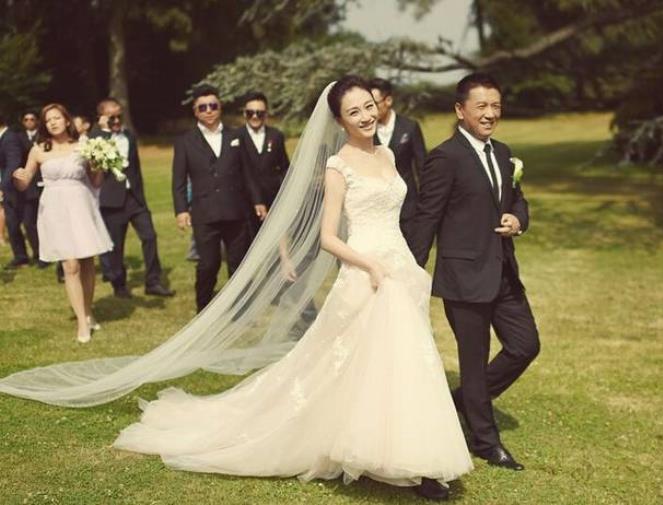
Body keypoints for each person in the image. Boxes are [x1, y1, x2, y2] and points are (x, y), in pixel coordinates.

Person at [114, 76, 471, 501]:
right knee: (356, 363)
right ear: (340, 121)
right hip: (366, 271)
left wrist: (399, 262)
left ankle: (409, 453)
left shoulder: (389, 154)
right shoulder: (338, 166)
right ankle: (373, 451)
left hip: (398, 265)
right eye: (353, 112)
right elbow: (328, 238)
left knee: (406, 359)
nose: (365, 116)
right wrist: (370, 264)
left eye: (368, 106)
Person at [409, 73, 540, 471]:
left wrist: (518, 220)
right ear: (460, 110)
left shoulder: (503, 153)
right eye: (481, 106)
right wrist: (410, 269)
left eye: (495, 106)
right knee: (474, 359)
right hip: (464, 278)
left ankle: (462, 401)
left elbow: (517, 200)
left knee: (525, 345)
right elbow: (427, 217)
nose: (489, 114)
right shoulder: (445, 158)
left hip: (503, 273)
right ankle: (486, 442)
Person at [12, 103, 113, 342]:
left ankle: (88, 311)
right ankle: (81, 323)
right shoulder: (38, 150)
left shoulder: (83, 145)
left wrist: (99, 165)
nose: (53, 123)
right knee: (70, 265)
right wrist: (18, 177)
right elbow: (24, 182)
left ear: (67, 121)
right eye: (48, 120)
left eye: (57, 118)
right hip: (54, 209)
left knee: (86, 262)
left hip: (80, 205)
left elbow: (96, 181)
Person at [172, 85, 267, 312]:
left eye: (213, 106)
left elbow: (248, 173)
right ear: (195, 111)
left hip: (235, 211)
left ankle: (239, 309)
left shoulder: (237, 136)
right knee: (208, 264)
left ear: (220, 107)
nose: (208, 111)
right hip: (204, 213)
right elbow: (178, 179)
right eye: (203, 107)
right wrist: (181, 210)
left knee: (238, 262)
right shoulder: (185, 141)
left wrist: (258, 201)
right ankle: (203, 308)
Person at [92, 97, 173, 298]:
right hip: (112, 200)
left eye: (119, 116)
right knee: (116, 246)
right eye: (111, 117)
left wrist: (140, 196)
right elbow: (94, 156)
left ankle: (153, 282)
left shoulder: (129, 136)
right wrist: (104, 130)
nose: (116, 121)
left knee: (149, 237)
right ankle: (119, 284)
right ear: (101, 118)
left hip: (135, 198)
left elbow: (135, 169)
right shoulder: (96, 137)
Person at [369, 78, 427, 240]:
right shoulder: (366, 131)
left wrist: (424, 205)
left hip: (408, 207)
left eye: (374, 104)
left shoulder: (410, 127)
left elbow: (423, 167)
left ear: (388, 100)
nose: (371, 110)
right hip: (378, 209)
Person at [234, 91, 290, 235]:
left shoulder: (276, 136)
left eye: (259, 113)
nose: (254, 117)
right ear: (244, 114)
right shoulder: (235, 137)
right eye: (250, 113)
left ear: (266, 114)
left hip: (273, 199)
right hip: (244, 202)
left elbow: (284, 167)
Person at [1, 112, 32, 269]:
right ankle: (21, 256)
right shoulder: (5, 137)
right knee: (12, 223)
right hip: (10, 187)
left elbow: (14, 164)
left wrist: (3, 186)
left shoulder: (10, 138)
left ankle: (30, 256)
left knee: (23, 223)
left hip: (15, 187)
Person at [18, 111, 46, 268]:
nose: (29, 122)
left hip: (45, 184)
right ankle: (37, 252)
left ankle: (47, 253)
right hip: (29, 187)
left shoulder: (44, 136)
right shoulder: (19, 138)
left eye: (32, 119)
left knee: (45, 222)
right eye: (26, 119)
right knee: (28, 222)